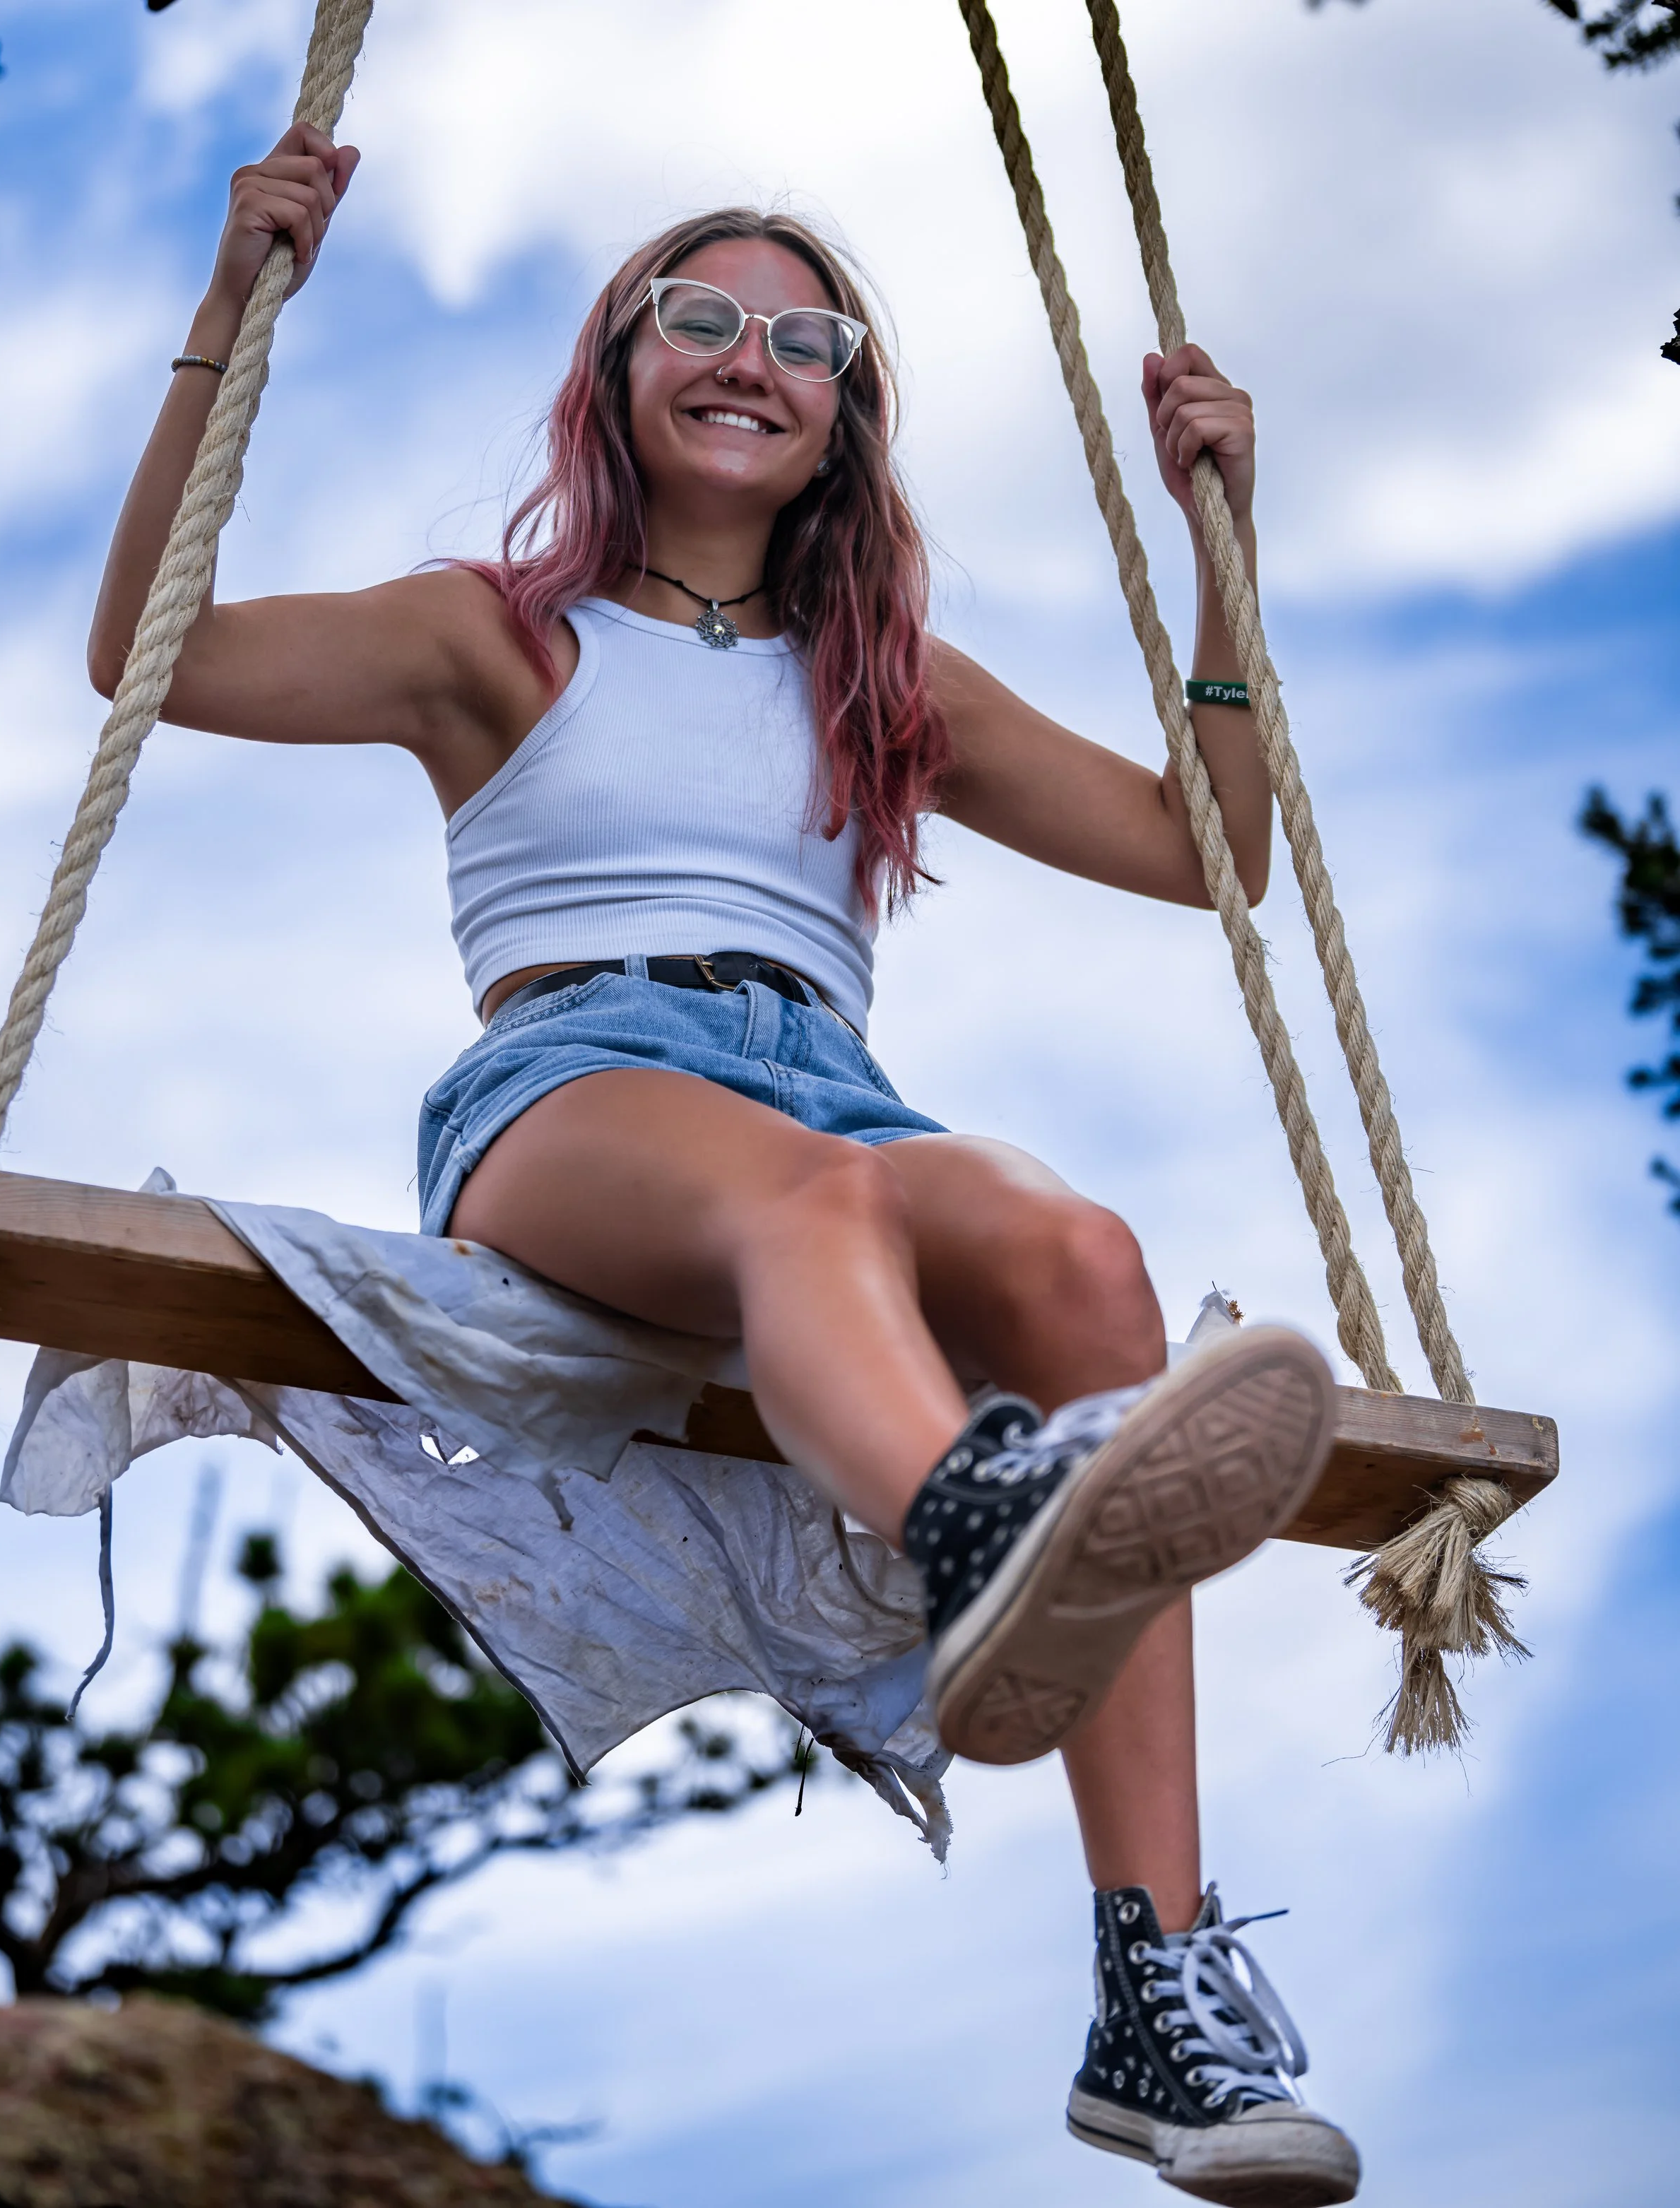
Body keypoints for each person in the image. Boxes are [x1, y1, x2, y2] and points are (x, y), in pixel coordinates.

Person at [89, 124, 1361, 2208]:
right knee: (826, 1203)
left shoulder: (879, 682)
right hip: (580, 1081)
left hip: (823, 1083)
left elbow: (1195, 844)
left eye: (804, 336)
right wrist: (237, 304)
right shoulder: (487, 636)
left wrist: (1221, 541)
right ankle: (972, 1526)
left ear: (844, 407)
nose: (749, 355)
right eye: (702, 316)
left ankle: (1157, 1985)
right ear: (619, 366)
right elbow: (152, 642)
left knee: (1079, 1259)